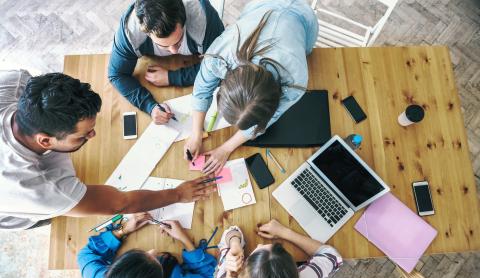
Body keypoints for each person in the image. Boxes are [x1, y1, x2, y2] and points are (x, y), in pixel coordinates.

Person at [0, 70, 215, 230]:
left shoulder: (17, 83)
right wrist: (178, 193)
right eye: (82, 135)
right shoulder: (39, 190)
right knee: (58, 215)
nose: (93, 136)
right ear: (45, 141)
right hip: (12, 206)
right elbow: (119, 204)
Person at [184, 0, 318, 174]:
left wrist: (226, 148)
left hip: (301, 17)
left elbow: (270, 118)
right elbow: (202, 90)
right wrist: (195, 133)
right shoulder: (221, 53)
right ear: (225, 82)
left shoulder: (296, 80)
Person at [108, 0, 224, 124]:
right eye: (163, 46)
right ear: (146, 32)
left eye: (178, 41)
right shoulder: (130, 34)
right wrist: (150, 107)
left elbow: (220, 66)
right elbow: (116, 75)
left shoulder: (206, 21)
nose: (174, 51)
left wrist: (173, 77)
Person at [78, 213, 217, 278]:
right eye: (156, 261)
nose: (153, 251)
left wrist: (123, 230)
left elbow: (86, 255)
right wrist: (185, 240)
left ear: (112, 271)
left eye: (142, 253)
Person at [216, 219, 342, 278]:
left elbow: (231, 232)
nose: (259, 244)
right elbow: (333, 256)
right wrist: (284, 232)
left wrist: (234, 243)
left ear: (244, 277)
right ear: (295, 272)